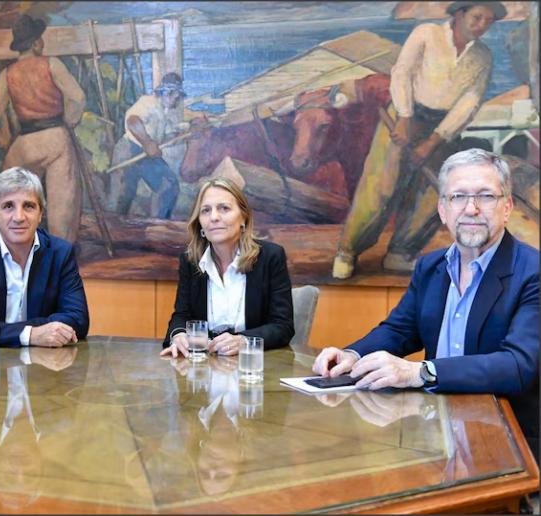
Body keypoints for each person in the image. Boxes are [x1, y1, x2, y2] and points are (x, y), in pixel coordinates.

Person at [313, 148, 539, 459]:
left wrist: (422, 372)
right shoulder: (430, 268)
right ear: (443, 210)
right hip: (437, 436)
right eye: (458, 196)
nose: (471, 208)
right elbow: (400, 329)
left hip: (508, 446)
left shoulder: (533, 272)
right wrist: (352, 353)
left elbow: (517, 365)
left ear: (507, 207)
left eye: (486, 196)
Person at [332, 1, 506, 279]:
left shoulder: (483, 57)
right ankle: (348, 251)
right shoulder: (426, 34)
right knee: (381, 186)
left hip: (444, 128)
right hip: (407, 113)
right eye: (476, 17)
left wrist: (434, 140)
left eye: (487, 21)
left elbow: (470, 102)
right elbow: (402, 73)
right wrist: (404, 117)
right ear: (459, 14)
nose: (481, 25)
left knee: (432, 193)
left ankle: (400, 252)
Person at [0, 166, 89, 348]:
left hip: (45, 368)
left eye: (28, 206)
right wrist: (30, 334)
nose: (19, 217)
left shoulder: (61, 253)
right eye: (8, 206)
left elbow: (78, 319)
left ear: (40, 214)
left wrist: (3, 330)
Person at [161, 177, 294, 357]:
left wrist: (244, 340)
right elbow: (181, 316)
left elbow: (283, 327)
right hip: (203, 370)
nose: (214, 217)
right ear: (199, 223)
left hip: (253, 368)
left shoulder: (270, 257)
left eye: (224, 208)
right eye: (206, 210)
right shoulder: (191, 261)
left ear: (243, 218)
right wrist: (178, 336)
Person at [0, 14, 86, 244]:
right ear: (34, 43)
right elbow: (78, 97)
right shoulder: (51, 64)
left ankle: (16, 249)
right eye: (40, 39)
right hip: (55, 140)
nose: (42, 43)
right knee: (63, 209)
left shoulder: (7, 75)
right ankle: (59, 255)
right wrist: (71, 119)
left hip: (24, 145)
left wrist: (4, 139)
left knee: (13, 199)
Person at [110, 72, 185, 219]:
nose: (177, 100)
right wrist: (147, 142)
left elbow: (168, 136)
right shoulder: (148, 102)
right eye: (176, 96)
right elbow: (132, 121)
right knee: (124, 195)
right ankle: (116, 230)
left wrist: (188, 134)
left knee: (169, 185)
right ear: (168, 93)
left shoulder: (165, 112)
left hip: (146, 154)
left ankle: (159, 225)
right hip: (129, 149)